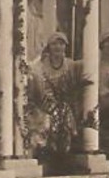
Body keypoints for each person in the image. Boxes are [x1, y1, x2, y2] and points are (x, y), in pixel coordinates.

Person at [26, 32, 80, 166]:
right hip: (44, 104)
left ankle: (65, 153)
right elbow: (34, 85)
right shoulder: (39, 66)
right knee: (44, 121)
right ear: (49, 47)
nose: (58, 47)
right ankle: (45, 152)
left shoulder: (71, 65)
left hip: (64, 105)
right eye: (54, 44)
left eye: (61, 44)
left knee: (66, 115)